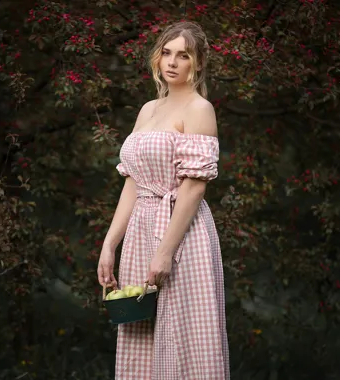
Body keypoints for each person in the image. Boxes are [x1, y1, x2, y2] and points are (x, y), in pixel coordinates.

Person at [97, 21, 230, 379]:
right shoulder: (148, 109)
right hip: (141, 230)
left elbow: (194, 187)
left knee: (183, 337)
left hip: (181, 235)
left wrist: (166, 251)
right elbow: (134, 184)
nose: (172, 62)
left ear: (197, 63)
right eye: (167, 53)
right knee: (140, 334)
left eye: (183, 55)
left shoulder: (200, 109)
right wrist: (110, 243)